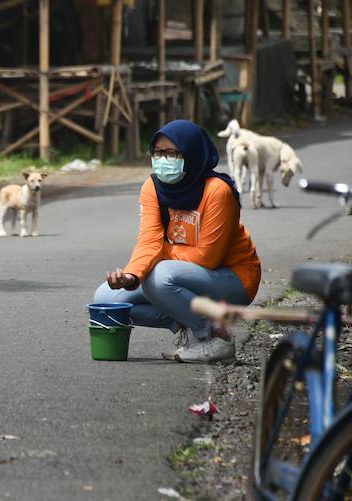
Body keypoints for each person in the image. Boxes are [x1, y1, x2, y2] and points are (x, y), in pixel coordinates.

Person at [94, 119, 261, 363]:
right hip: (179, 273)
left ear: (192, 154)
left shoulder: (217, 190)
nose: (163, 159)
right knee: (107, 299)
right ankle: (188, 322)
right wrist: (131, 276)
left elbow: (207, 257)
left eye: (172, 153)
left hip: (233, 278)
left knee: (159, 276)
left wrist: (154, 258)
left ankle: (216, 337)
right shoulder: (153, 187)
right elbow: (149, 240)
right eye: (158, 152)